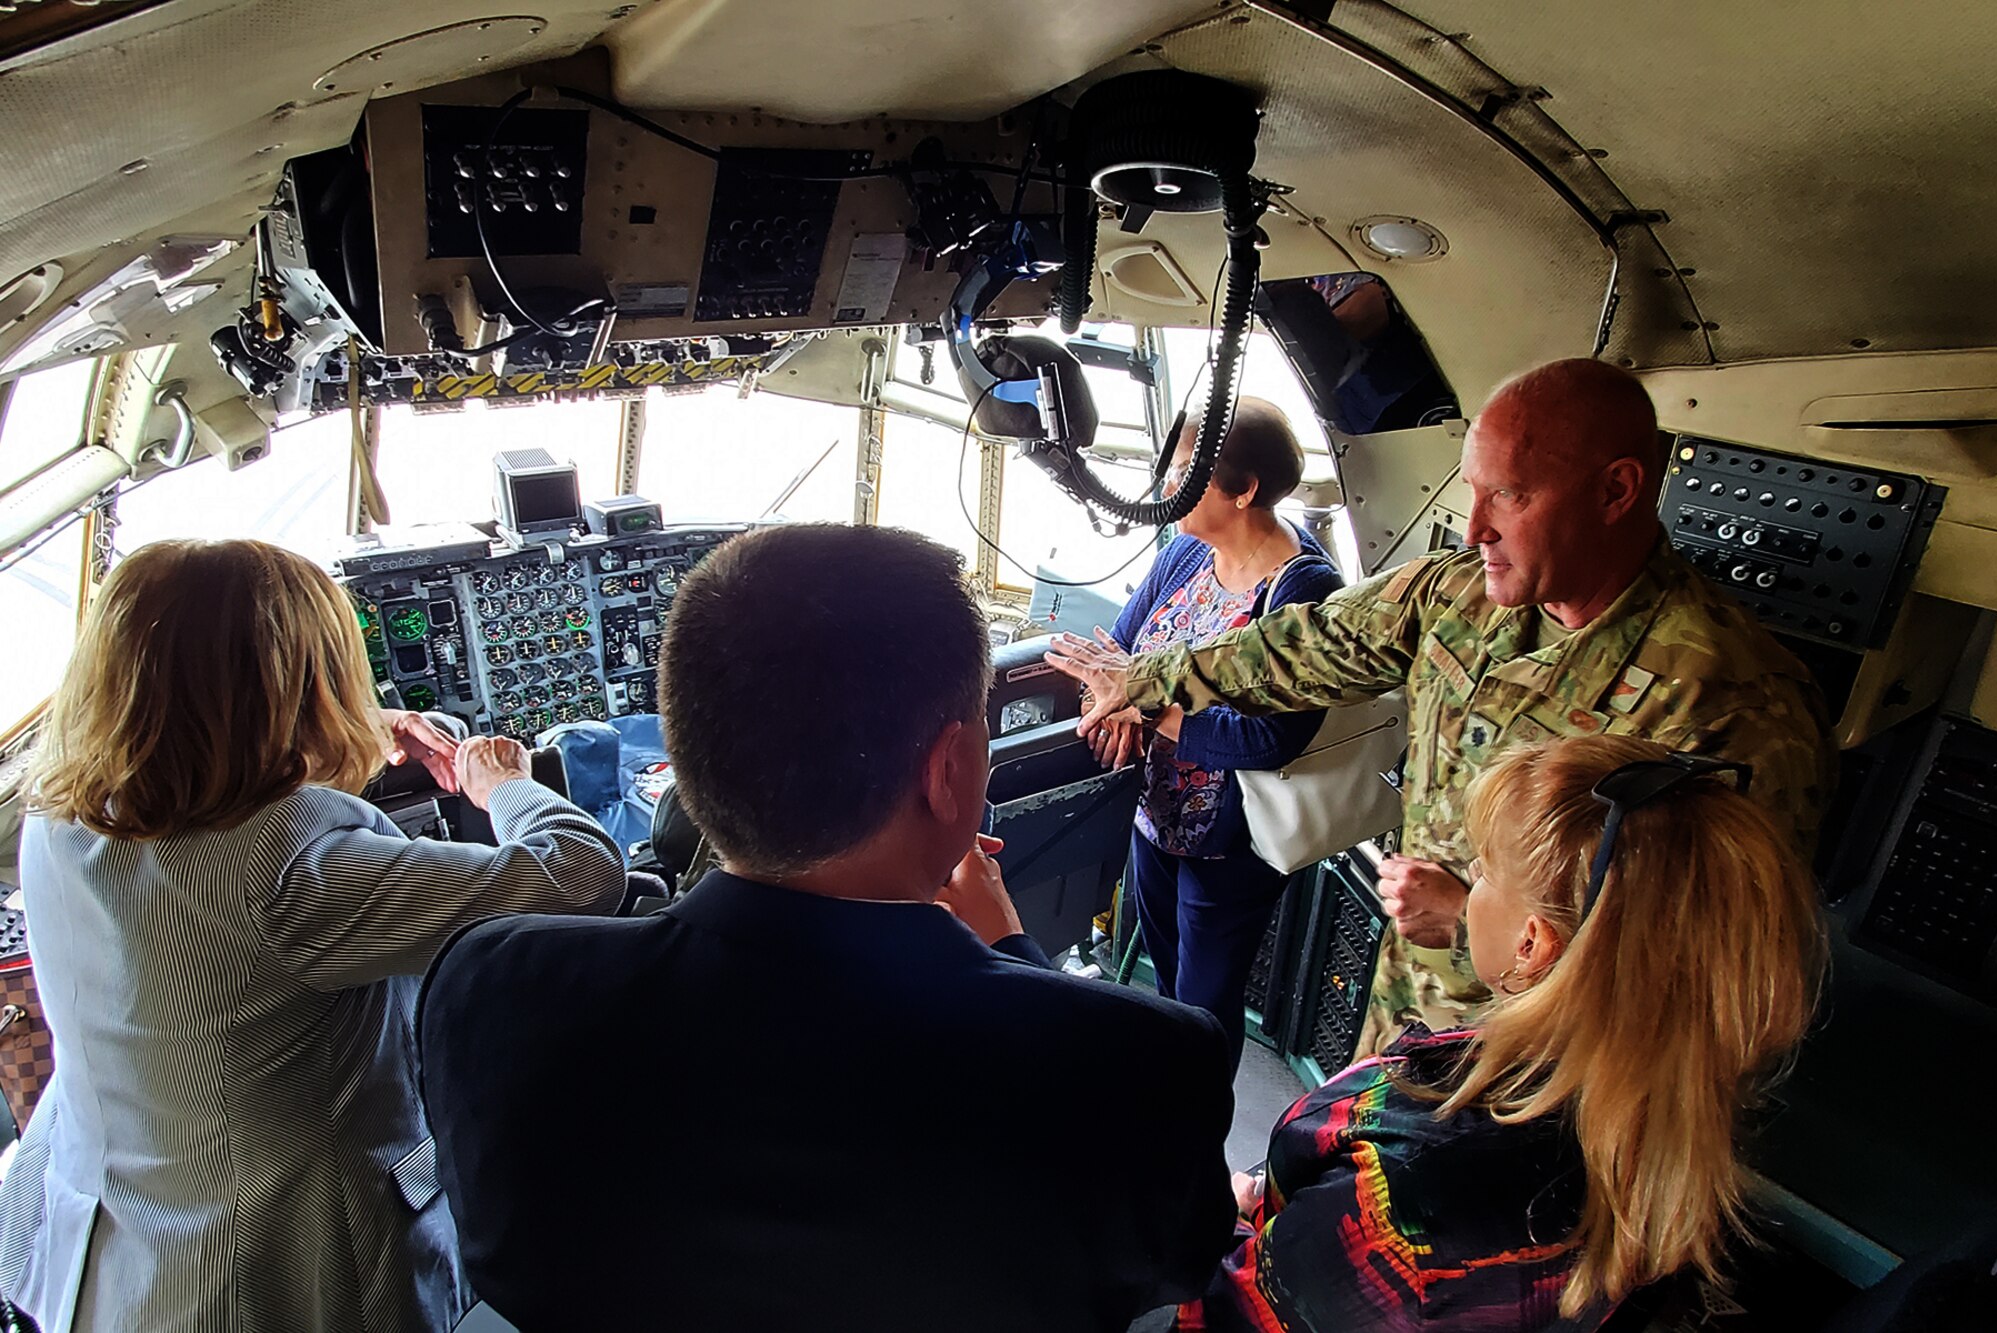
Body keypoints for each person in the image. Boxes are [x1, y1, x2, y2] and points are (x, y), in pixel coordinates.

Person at [418, 524, 1237, 1333]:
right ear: (948, 771)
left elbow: (504, 1259)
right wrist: (1014, 957)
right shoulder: (1146, 1065)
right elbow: (1184, 1257)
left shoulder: (493, 994)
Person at [1047, 358, 1835, 1056]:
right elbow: (1304, 646)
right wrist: (1143, 680)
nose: (1478, 525)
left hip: (1542, 1068)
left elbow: (1724, 981)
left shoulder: (1729, 701)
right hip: (1402, 1022)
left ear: (1616, 490)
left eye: (1511, 495)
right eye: (1473, 491)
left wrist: (1469, 924)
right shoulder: (1456, 593)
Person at [0, 539, 626, 1333]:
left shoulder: (59, 815)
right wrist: (503, 781)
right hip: (263, 1282)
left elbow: (205, 775)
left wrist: (358, 724)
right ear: (298, 682)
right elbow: (578, 873)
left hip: (102, 1252)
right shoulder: (286, 864)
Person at [1178, 734, 1827, 1331]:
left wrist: (1234, 1217)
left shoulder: (1418, 1178)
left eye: (1482, 871)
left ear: (1532, 941)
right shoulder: (1670, 1131)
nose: (1471, 885)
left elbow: (1229, 1319)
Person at [1089, 397, 1340, 1067]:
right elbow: (1121, 646)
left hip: (1229, 847)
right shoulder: (1186, 553)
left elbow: (1271, 738)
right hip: (1158, 822)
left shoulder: (1301, 588)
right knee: (1168, 996)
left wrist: (1145, 708)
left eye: (1182, 475)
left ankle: (1197, 1147)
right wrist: (1114, 701)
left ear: (1244, 490)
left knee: (1203, 1013)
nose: (1166, 489)